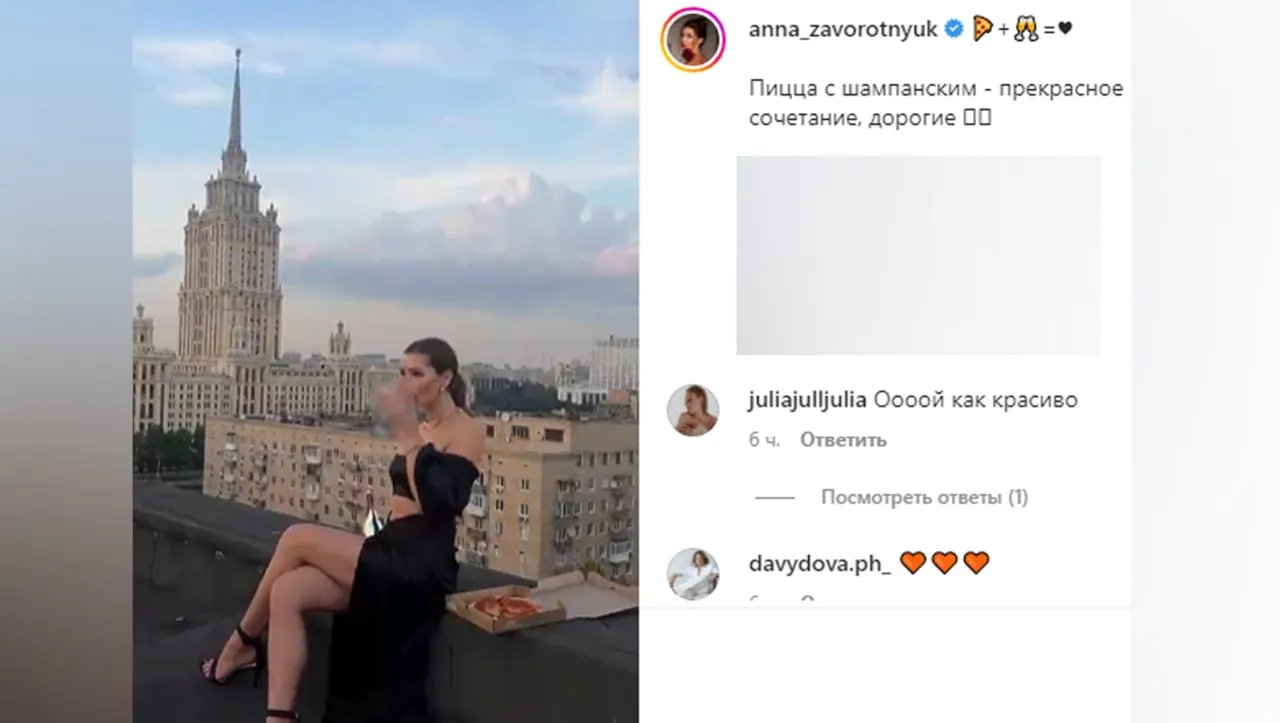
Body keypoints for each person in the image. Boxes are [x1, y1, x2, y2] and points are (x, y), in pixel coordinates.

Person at [199, 337, 485, 723]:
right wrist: (411, 435)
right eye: (402, 373)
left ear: (445, 379)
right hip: (391, 547)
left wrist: (407, 434)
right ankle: (279, 716)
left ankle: (241, 642)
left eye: (417, 374)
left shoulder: (466, 429)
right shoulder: (422, 427)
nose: (406, 383)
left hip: (422, 564)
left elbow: (441, 503)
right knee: (287, 590)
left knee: (295, 538)